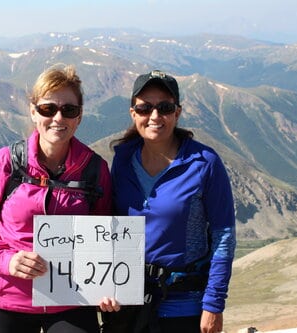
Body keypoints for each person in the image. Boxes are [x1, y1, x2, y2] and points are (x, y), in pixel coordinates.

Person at [0, 64, 117, 333]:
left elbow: (102, 232)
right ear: (33, 112)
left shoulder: (95, 168)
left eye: (69, 110)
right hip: (7, 298)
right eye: (47, 109)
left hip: (71, 299)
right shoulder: (4, 163)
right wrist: (7, 260)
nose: (58, 117)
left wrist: (107, 285)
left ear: (79, 117)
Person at [101, 70, 236, 333]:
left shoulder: (204, 163)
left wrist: (213, 305)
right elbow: (110, 225)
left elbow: (224, 235)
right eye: (144, 108)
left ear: (177, 112)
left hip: (184, 306)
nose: (154, 116)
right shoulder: (122, 160)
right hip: (128, 305)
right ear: (133, 113)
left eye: (164, 107)